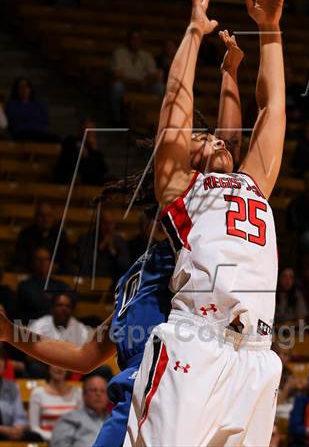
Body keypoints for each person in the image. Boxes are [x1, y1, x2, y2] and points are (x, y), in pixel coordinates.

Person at [0, 28, 245, 447]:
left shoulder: (198, 236)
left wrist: (230, 73)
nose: (216, 141)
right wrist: (11, 333)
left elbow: (231, 149)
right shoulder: (147, 264)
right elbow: (84, 355)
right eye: (203, 137)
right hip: (136, 402)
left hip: (176, 399)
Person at [125, 0, 287, 447]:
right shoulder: (180, 188)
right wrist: (195, 34)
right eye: (202, 136)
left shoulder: (253, 181)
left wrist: (271, 30)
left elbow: (273, 108)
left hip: (257, 357)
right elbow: (175, 111)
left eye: (216, 134)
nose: (213, 137)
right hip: (196, 344)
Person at [110, 24, 164, 123]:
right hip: (127, 84)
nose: (135, 41)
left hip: (144, 85)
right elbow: (117, 75)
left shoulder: (146, 55)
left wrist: (148, 81)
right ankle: (116, 119)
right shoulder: (119, 53)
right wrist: (136, 82)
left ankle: (157, 120)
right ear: (128, 40)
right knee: (117, 87)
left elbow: (153, 74)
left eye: (138, 39)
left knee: (160, 88)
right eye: (133, 39)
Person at [50, 374, 109, 447]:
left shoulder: (114, 420)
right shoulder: (70, 419)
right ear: (84, 394)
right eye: (93, 390)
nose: (98, 394)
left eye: (103, 391)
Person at [16, 247, 70, 325]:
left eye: (46, 259)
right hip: (33, 327)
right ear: (33, 263)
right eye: (39, 259)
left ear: (51, 263)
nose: (42, 263)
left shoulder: (61, 285)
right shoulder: (25, 286)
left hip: (57, 327)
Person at [14, 201, 72, 273]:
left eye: (48, 215)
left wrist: (53, 267)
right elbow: (20, 258)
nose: (45, 219)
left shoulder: (60, 234)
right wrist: (36, 266)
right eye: (41, 216)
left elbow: (66, 258)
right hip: (31, 272)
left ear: (53, 218)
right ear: (36, 217)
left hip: (54, 273)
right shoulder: (26, 234)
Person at [29, 365, 83, 441]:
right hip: (47, 442)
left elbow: (82, 424)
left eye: (62, 364)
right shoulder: (37, 393)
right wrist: (55, 437)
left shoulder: (78, 392)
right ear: (48, 367)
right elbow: (34, 428)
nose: (59, 368)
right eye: (54, 364)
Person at [77, 209, 131, 285]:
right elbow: (85, 264)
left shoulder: (119, 241)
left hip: (114, 281)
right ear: (98, 223)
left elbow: (125, 266)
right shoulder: (87, 239)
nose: (108, 227)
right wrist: (100, 248)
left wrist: (113, 252)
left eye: (111, 223)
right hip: (92, 279)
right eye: (105, 223)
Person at [0, 348, 41, 442]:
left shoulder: (12, 386)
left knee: (35, 437)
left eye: (1, 359)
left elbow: (19, 416)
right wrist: (5, 430)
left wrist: (18, 428)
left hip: (10, 434)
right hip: (4, 432)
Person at [55, 118, 108, 187]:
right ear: (81, 130)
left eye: (92, 129)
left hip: (93, 180)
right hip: (75, 178)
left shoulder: (94, 150)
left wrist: (95, 150)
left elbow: (103, 169)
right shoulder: (71, 141)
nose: (90, 132)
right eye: (87, 129)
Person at [5, 76, 51, 141]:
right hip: (21, 134)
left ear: (30, 88)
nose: (24, 89)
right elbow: (14, 121)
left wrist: (27, 120)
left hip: (39, 132)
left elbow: (45, 121)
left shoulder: (39, 104)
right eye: (21, 87)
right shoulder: (11, 104)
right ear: (16, 90)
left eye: (26, 86)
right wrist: (33, 119)